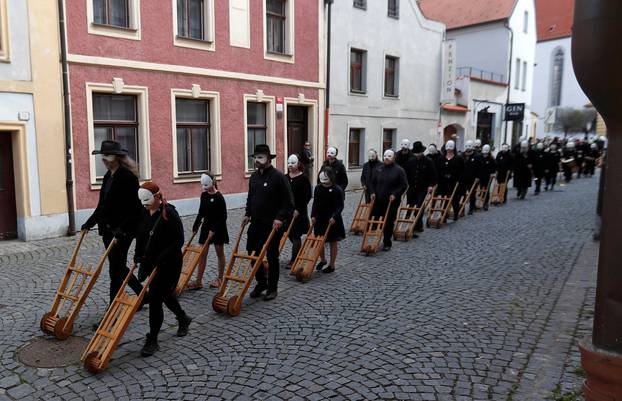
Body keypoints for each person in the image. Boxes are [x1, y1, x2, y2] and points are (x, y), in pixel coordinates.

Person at [81, 140, 144, 309]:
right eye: (103, 156)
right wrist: (89, 222)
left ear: (116, 158)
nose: (103, 160)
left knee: (115, 270)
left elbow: (134, 209)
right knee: (117, 267)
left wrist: (121, 230)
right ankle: (143, 294)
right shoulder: (109, 176)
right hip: (108, 230)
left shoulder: (128, 177)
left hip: (123, 231)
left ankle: (112, 310)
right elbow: (103, 204)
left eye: (106, 157)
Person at [134, 182, 192, 357]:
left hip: (169, 264)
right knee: (165, 296)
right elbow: (140, 236)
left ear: (158, 197)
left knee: (156, 299)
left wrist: (162, 257)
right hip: (151, 263)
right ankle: (183, 318)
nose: (145, 205)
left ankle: (153, 339)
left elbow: (178, 241)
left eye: (147, 201)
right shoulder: (143, 213)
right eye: (142, 202)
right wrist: (137, 255)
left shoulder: (169, 214)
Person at [244, 144, 294, 301]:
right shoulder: (254, 177)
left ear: (268, 158)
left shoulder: (278, 177)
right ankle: (261, 282)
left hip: (273, 225)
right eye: (255, 157)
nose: (257, 160)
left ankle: (273, 288)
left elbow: (289, 202)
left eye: (260, 157)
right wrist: (247, 213)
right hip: (256, 223)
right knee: (252, 253)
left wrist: (280, 217)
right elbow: (251, 197)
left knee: (272, 257)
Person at [190, 173, 229, 289]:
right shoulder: (204, 195)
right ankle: (198, 281)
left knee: (219, 252)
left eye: (207, 185)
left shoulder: (219, 197)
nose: (205, 188)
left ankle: (220, 278)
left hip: (218, 228)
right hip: (206, 227)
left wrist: (214, 230)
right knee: (202, 254)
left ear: (213, 182)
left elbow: (223, 217)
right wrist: (196, 225)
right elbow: (201, 212)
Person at [368, 150, 408, 251]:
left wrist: (395, 194)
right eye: (385, 156)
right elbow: (371, 183)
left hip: (391, 201)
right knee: (375, 220)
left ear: (394, 157)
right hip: (378, 200)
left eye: (389, 156)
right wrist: (372, 192)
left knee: (389, 222)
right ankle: (373, 240)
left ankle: (387, 242)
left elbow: (403, 185)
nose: (386, 158)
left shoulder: (399, 170)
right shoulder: (378, 169)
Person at [312, 168, 346, 273]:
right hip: (320, 218)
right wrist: (313, 215)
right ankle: (323, 260)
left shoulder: (337, 189)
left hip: (333, 219)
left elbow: (340, 206)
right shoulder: (318, 188)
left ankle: (332, 265)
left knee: (333, 241)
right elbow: (315, 203)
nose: (324, 184)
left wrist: (334, 217)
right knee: (319, 241)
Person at [285, 154, 312, 269]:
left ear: (298, 164)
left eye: (293, 163)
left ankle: (293, 260)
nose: (290, 165)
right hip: (287, 212)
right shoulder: (285, 177)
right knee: (289, 234)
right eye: (289, 163)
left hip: (299, 213)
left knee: (296, 236)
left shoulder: (304, 178)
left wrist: (298, 209)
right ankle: (299, 251)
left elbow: (307, 196)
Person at [408, 141, 437, 234]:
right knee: (410, 205)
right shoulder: (411, 161)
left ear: (422, 152)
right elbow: (407, 174)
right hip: (412, 188)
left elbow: (433, 175)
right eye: (416, 153)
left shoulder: (429, 161)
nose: (417, 155)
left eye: (419, 153)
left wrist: (431, 185)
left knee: (419, 205)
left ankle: (418, 225)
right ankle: (410, 223)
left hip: (423, 188)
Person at [437, 140, 464, 221]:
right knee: (444, 198)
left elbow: (462, 170)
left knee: (454, 199)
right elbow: (438, 169)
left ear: (453, 148)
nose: (449, 150)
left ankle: (456, 214)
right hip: (443, 182)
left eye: (450, 148)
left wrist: (459, 180)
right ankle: (444, 215)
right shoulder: (441, 158)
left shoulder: (458, 158)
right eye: (448, 148)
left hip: (454, 181)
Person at [460, 140, 481, 215]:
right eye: (466, 147)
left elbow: (479, 167)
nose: (468, 149)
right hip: (463, 178)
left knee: (472, 193)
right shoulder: (462, 155)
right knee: (462, 193)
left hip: (472, 178)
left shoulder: (476, 156)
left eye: (469, 147)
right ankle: (461, 209)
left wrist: (478, 177)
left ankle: (471, 208)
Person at [478, 145, 497, 210]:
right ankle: (482, 201)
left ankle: (485, 203)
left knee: (487, 189)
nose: (485, 154)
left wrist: (493, 173)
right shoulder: (479, 157)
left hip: (488, 176)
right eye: (484, 152)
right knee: (481, 188)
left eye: (486, 152)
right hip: (481, 175)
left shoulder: (491, 158)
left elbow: (494, 166)